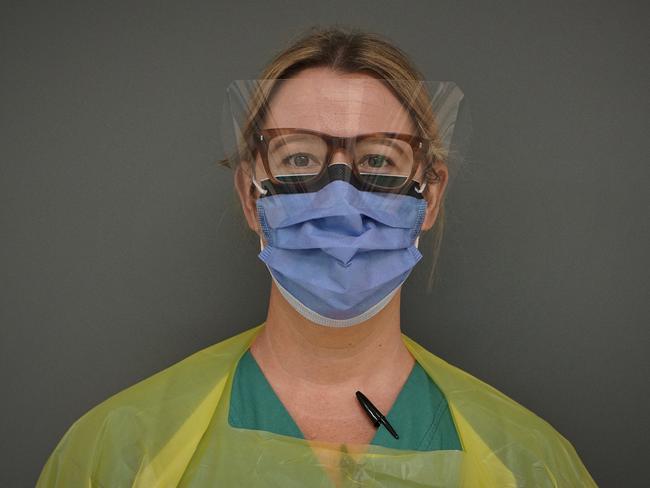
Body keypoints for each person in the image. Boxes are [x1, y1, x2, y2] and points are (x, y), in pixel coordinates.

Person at [36, 27, 597, 487]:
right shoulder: (121, 451)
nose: (339, 199)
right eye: (298, 156)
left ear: (430, 197)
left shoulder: (529, 464)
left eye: (379, 160)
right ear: (250, 198)